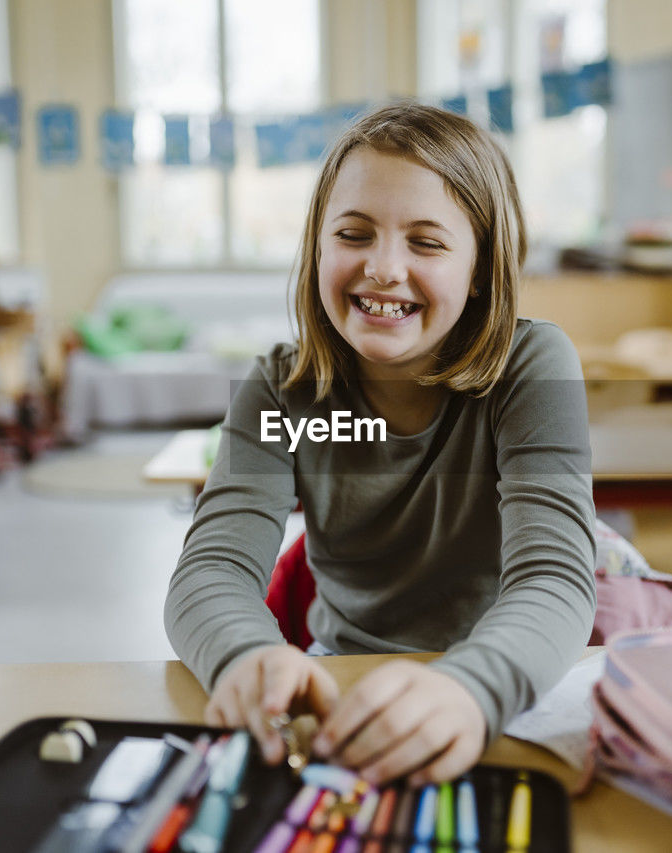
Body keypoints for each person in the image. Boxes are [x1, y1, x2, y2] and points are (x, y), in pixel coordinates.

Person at [164, 102, 596, 787]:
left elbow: (555, 578)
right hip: (346, 678)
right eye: (353, 234)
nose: (384, 268)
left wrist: (470, 688)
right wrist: (246, 658)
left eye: (426, 242)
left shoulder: (531, 365)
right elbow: (210, 572)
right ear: (318, 249)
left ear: (481, 267)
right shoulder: (284, 390)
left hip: (504, 679)